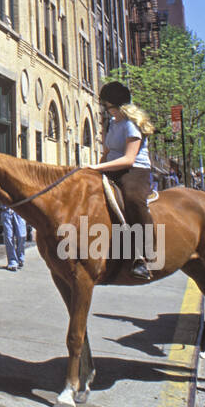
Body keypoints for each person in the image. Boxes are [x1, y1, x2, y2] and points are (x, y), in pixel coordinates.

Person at [86, 81, 157, 280]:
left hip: (134, 170)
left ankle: (143, 255)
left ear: (117, 105)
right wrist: (93, 171)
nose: (106, 111)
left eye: (107, 106)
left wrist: (96, 168)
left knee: (132, 199)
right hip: (112, 167)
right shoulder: (113, 124)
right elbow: (107, 152)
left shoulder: (131, 125)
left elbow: (128, 159)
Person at [0, 202, 26, 271]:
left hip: (19, 210)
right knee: (9, 237)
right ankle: (12, 261)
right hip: (6, 210)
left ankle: (20, 257)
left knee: (21, 235)